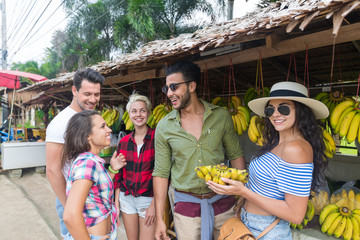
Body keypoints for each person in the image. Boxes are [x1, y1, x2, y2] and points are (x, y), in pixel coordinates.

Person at [208, 81, 329, 239]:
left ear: (301, 111)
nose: (275, 114)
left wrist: (243, 191)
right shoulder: (276, 143)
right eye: (270, 109)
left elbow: (296, 215)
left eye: (284, 108)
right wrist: (230, 176)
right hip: (249, 223)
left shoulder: (296, 149)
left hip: (268, 231)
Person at [152, 61, 246, 240]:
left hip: (224, 204)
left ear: (192, 86)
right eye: (166, 89)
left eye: (173, 87)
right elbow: (161, 173)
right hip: (187, 208)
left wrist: (241, 192)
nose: (169, 93)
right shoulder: (164, 127)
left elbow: (236, 155)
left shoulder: (221, 116)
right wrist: (160, 219)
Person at [46, 68, 105, 238]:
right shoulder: (61, 123)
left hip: (92, 198)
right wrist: (70, 207)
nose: (93, 99)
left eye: (97, 94)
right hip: (73, 199)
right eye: (87, 94)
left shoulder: (91, 118)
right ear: (74, 90)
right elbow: (52, 170)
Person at [62, 110, 125, 240]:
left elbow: (95, 192)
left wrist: (113, 170)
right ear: (87, 136)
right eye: (103, 127)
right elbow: (70, 215)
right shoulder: (88, 163)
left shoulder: (91, 161)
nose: (109, 130)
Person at [113, 93, 156, 240]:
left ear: (149, 113)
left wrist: (155, 205)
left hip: (148, 199)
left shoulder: (157, 139)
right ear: (129, 114)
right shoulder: (123, 142)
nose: (138, 114)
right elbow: (118, 174)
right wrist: (117, 203)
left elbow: (163, 175)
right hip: (127, 199)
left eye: (143, 110)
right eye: (134, 111)